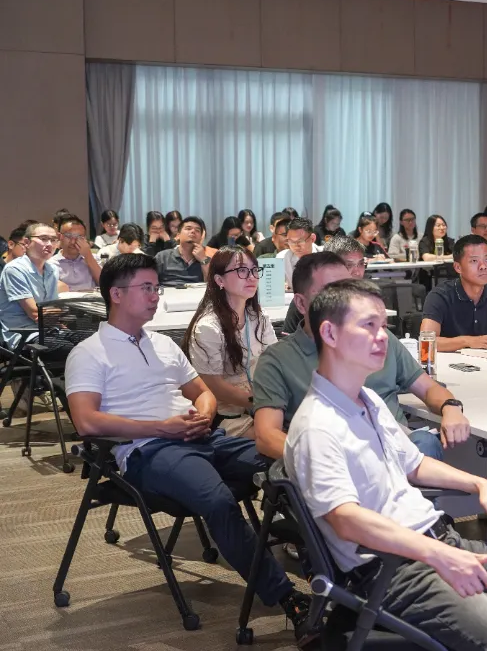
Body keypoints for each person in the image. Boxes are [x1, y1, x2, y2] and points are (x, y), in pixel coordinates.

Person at [284, 279, 487, 651]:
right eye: (368, 325)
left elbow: (414, 465)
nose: (382, 337)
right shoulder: (317, 426)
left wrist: (478, 484)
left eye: (383, 325)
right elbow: (345, 519)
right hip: (395, 570)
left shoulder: (366, 399)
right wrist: (440, 555)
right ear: (330, 333)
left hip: (440, 540)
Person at [63, 253, 310, 630]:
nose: (155, 296)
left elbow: (202, 392)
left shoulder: (162, 344)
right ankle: (287, 597)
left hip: (202, 437)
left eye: (156, 288)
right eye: (147, 288)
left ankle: (327, 571)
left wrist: (205, 415)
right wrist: (163, 428)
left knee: (295, 461)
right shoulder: (88, 353)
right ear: (116, 294)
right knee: (219, 501)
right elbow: (86, 420)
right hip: (150, 450)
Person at [254, 252, 471, 462]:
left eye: (349, 292)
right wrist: (327, 461)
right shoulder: (278, 359)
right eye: (330, 295)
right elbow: (266, 436)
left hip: (397, 450)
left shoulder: (379, 339)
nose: (345, 303)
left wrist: (451, 407)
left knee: (425, 443)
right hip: (334, 462)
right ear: (301, 304)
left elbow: (427, 387)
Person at [182, 247, 277, 438]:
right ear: (220, 280)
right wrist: (264, 403)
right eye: (242, 270)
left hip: (260, 404)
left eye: (254, 270)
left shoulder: (258, 317)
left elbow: (275, 359)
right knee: (281, 440)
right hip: (225, 414)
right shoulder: (208, 327)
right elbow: (214, 386)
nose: (252, 277)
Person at [281, 235, 368, 334]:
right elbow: (288, 337)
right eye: (349, 265)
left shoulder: (367, 298)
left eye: (361, 264)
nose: (357, 272)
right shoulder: (308, 300)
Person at [0, 222, 60, 349]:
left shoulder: (53, 269)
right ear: (26, 243)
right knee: (70, 348)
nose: (50, 244)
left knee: (87, 342)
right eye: (44, 239)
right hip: (24, 335)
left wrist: (57, 314)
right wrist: (61, 313)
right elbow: (35, 313)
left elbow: (53, 309)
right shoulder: (14, 269)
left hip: (50, 330)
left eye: (54, 240)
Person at [48, 214, 102, 291]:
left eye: (79, 237)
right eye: (68, 236)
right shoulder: (50, 264)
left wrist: (88, 256)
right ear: (59, 236)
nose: (73, 242)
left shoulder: (94, 258)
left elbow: (104, 284)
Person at [155, 216, 210, 285]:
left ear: (201, 238)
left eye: (197, 230)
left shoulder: (206, 261)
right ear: (178, 235)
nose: (193, 231)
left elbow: (212, 285)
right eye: (188, 228)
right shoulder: (162, 257)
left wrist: (203, 260)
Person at [277, 217, 322, 290]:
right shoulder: (282, 258)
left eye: (300, 241)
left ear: (312, 238)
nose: (296, 246)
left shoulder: (325, 256)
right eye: (291, 241)